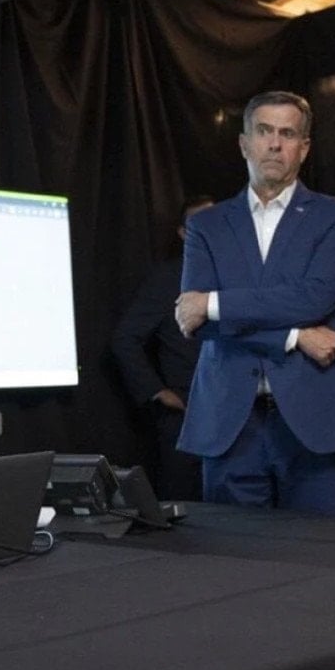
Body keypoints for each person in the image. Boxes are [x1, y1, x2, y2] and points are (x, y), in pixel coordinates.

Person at [175, 90, 335, 514]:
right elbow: (199, 323)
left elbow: (314, 298)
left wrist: (214, 303)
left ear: (304, 148)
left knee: (322, 550)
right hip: (230, 421)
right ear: (244, 143)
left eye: (288, 133)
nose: (275, 144)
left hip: (315, 417)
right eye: (264, 131)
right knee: (232, 550)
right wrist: (294, 337)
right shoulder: (206, 226)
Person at [111, 195, 213, 501]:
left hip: (240, 417)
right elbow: (125, 338)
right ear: (183, 233)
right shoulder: (168, 279)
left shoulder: (243, 276)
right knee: (187, 506)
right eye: (199, 225)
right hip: (186, 417)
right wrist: (157, 391)